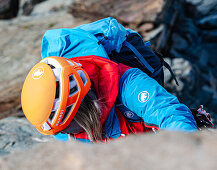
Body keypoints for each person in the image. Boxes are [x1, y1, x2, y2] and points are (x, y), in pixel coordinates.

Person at [21, 54, 199, 143]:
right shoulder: (65, 126)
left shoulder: (129, 85)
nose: (64, 133)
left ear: (79, 110)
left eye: (66, 128)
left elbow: (170, 115)